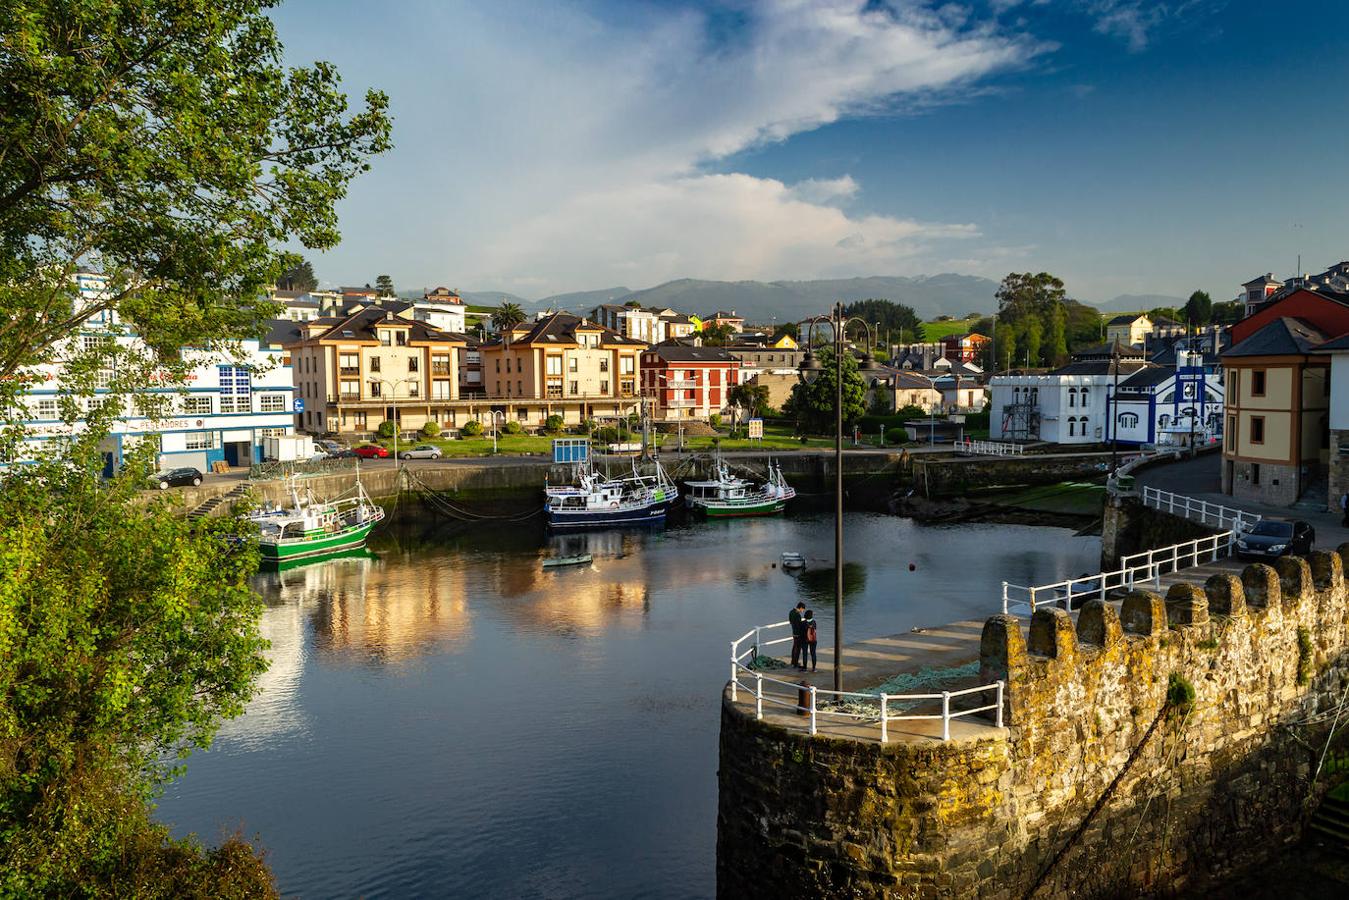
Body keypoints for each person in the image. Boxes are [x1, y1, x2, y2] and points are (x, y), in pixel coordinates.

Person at [788, 601, 806, 669]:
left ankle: (793, 661)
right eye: (803, 609)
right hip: (798, 633)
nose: (802, 611)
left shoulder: (791, 612)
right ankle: (795, 663)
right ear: (801, 608)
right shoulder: (797, 615)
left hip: (794, 632)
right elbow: (799, 625)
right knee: (798, 648)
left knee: (794, 647)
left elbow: (791, 621)